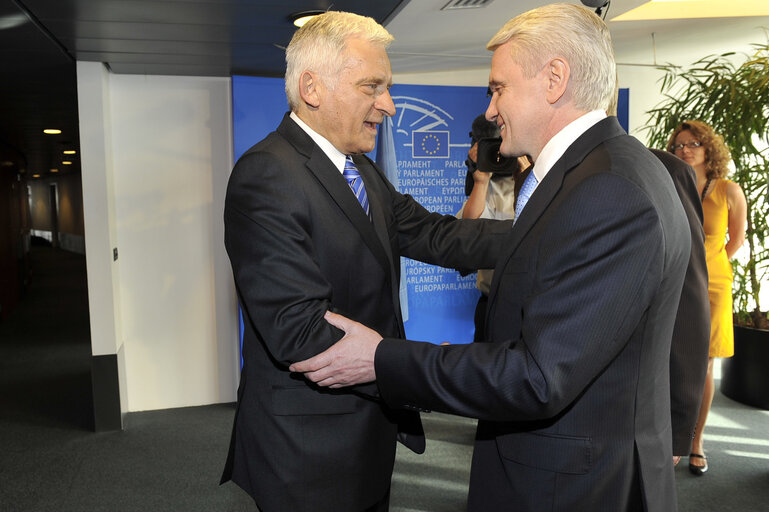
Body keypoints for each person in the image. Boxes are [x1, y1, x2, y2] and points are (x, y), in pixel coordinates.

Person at [291, 4, 691, 511]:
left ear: (554, 79)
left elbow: (538, 377)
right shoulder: (614, 169)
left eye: (499, 88)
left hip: (572, 486)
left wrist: (379, 357)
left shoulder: (606, 189)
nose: (489, 111)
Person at [220, 11, 512, 512]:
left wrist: (546, 231)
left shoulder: (358, 170)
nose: (390, 105)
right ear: (312, 88)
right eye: (372, 87)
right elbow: (300, 332)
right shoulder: (265, 176)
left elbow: (436, 234)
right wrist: (420, 372)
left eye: (388, 87)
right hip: (307, 451)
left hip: (363, 435)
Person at [666, 120, 747, 476]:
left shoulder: (729, 190)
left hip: (714, 287)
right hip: (674, 281)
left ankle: (695, 441)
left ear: (708, 148)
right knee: (670, 359)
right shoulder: (670, 182)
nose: (685, 150)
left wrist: (710, 265)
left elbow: (736, 240)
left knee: (706, 366)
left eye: (693, 143)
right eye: (679, 145)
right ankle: (668, 436)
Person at [649, 149, 711, 465]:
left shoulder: (664, 170)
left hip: (633, 409)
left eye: (499, 94)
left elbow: (689, 299)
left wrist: (678, 425)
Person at [458, 115, 531, 342]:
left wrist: (529, 176)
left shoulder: (540, 180)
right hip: (491, 303)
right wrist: (481, 179)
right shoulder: (488, 186)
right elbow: (467, 234)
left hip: (530, 308)